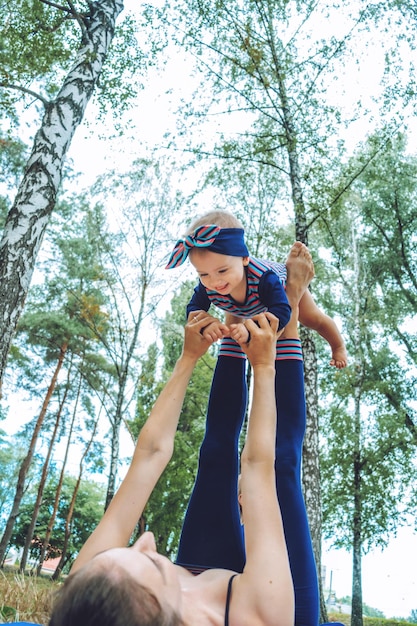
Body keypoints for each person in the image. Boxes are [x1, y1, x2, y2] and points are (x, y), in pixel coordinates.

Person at [47, 243, 316, 626]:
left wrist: (188, 357)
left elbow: (151, 454)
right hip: (256, 601)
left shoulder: (94, 592)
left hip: (202, 570)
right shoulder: (259, 616)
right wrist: (264, 366)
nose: (147, 540)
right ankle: (288, 305)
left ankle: (232, 313)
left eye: (129, 550)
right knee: (285, 464)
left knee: (216, 454)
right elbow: (259, 466)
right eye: (152, 564)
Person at [166, 210, 348, 369]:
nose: (215, 281)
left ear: (244, 258)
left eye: (222, 270)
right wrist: (206, 325)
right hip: (246, 306)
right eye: (203, 274)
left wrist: (251, 331)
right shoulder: (208, 287)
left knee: (313, 318)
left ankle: (338, 346)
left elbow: (282, 311)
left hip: (281, 289)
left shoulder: (264, 279)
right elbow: (194, 308)